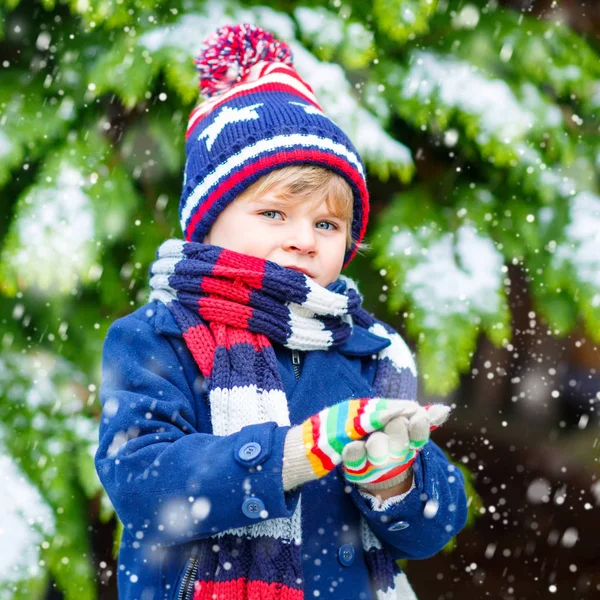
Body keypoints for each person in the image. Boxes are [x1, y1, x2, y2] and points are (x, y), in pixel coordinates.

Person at [95, 23, 468, 600]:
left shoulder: (372, 348)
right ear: (208, 222)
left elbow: (428, 533)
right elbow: (141, 483)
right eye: (274, 214)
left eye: (326, 223)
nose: (304, 240)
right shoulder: (156, 338)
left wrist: (395, 480)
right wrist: (293, 455)